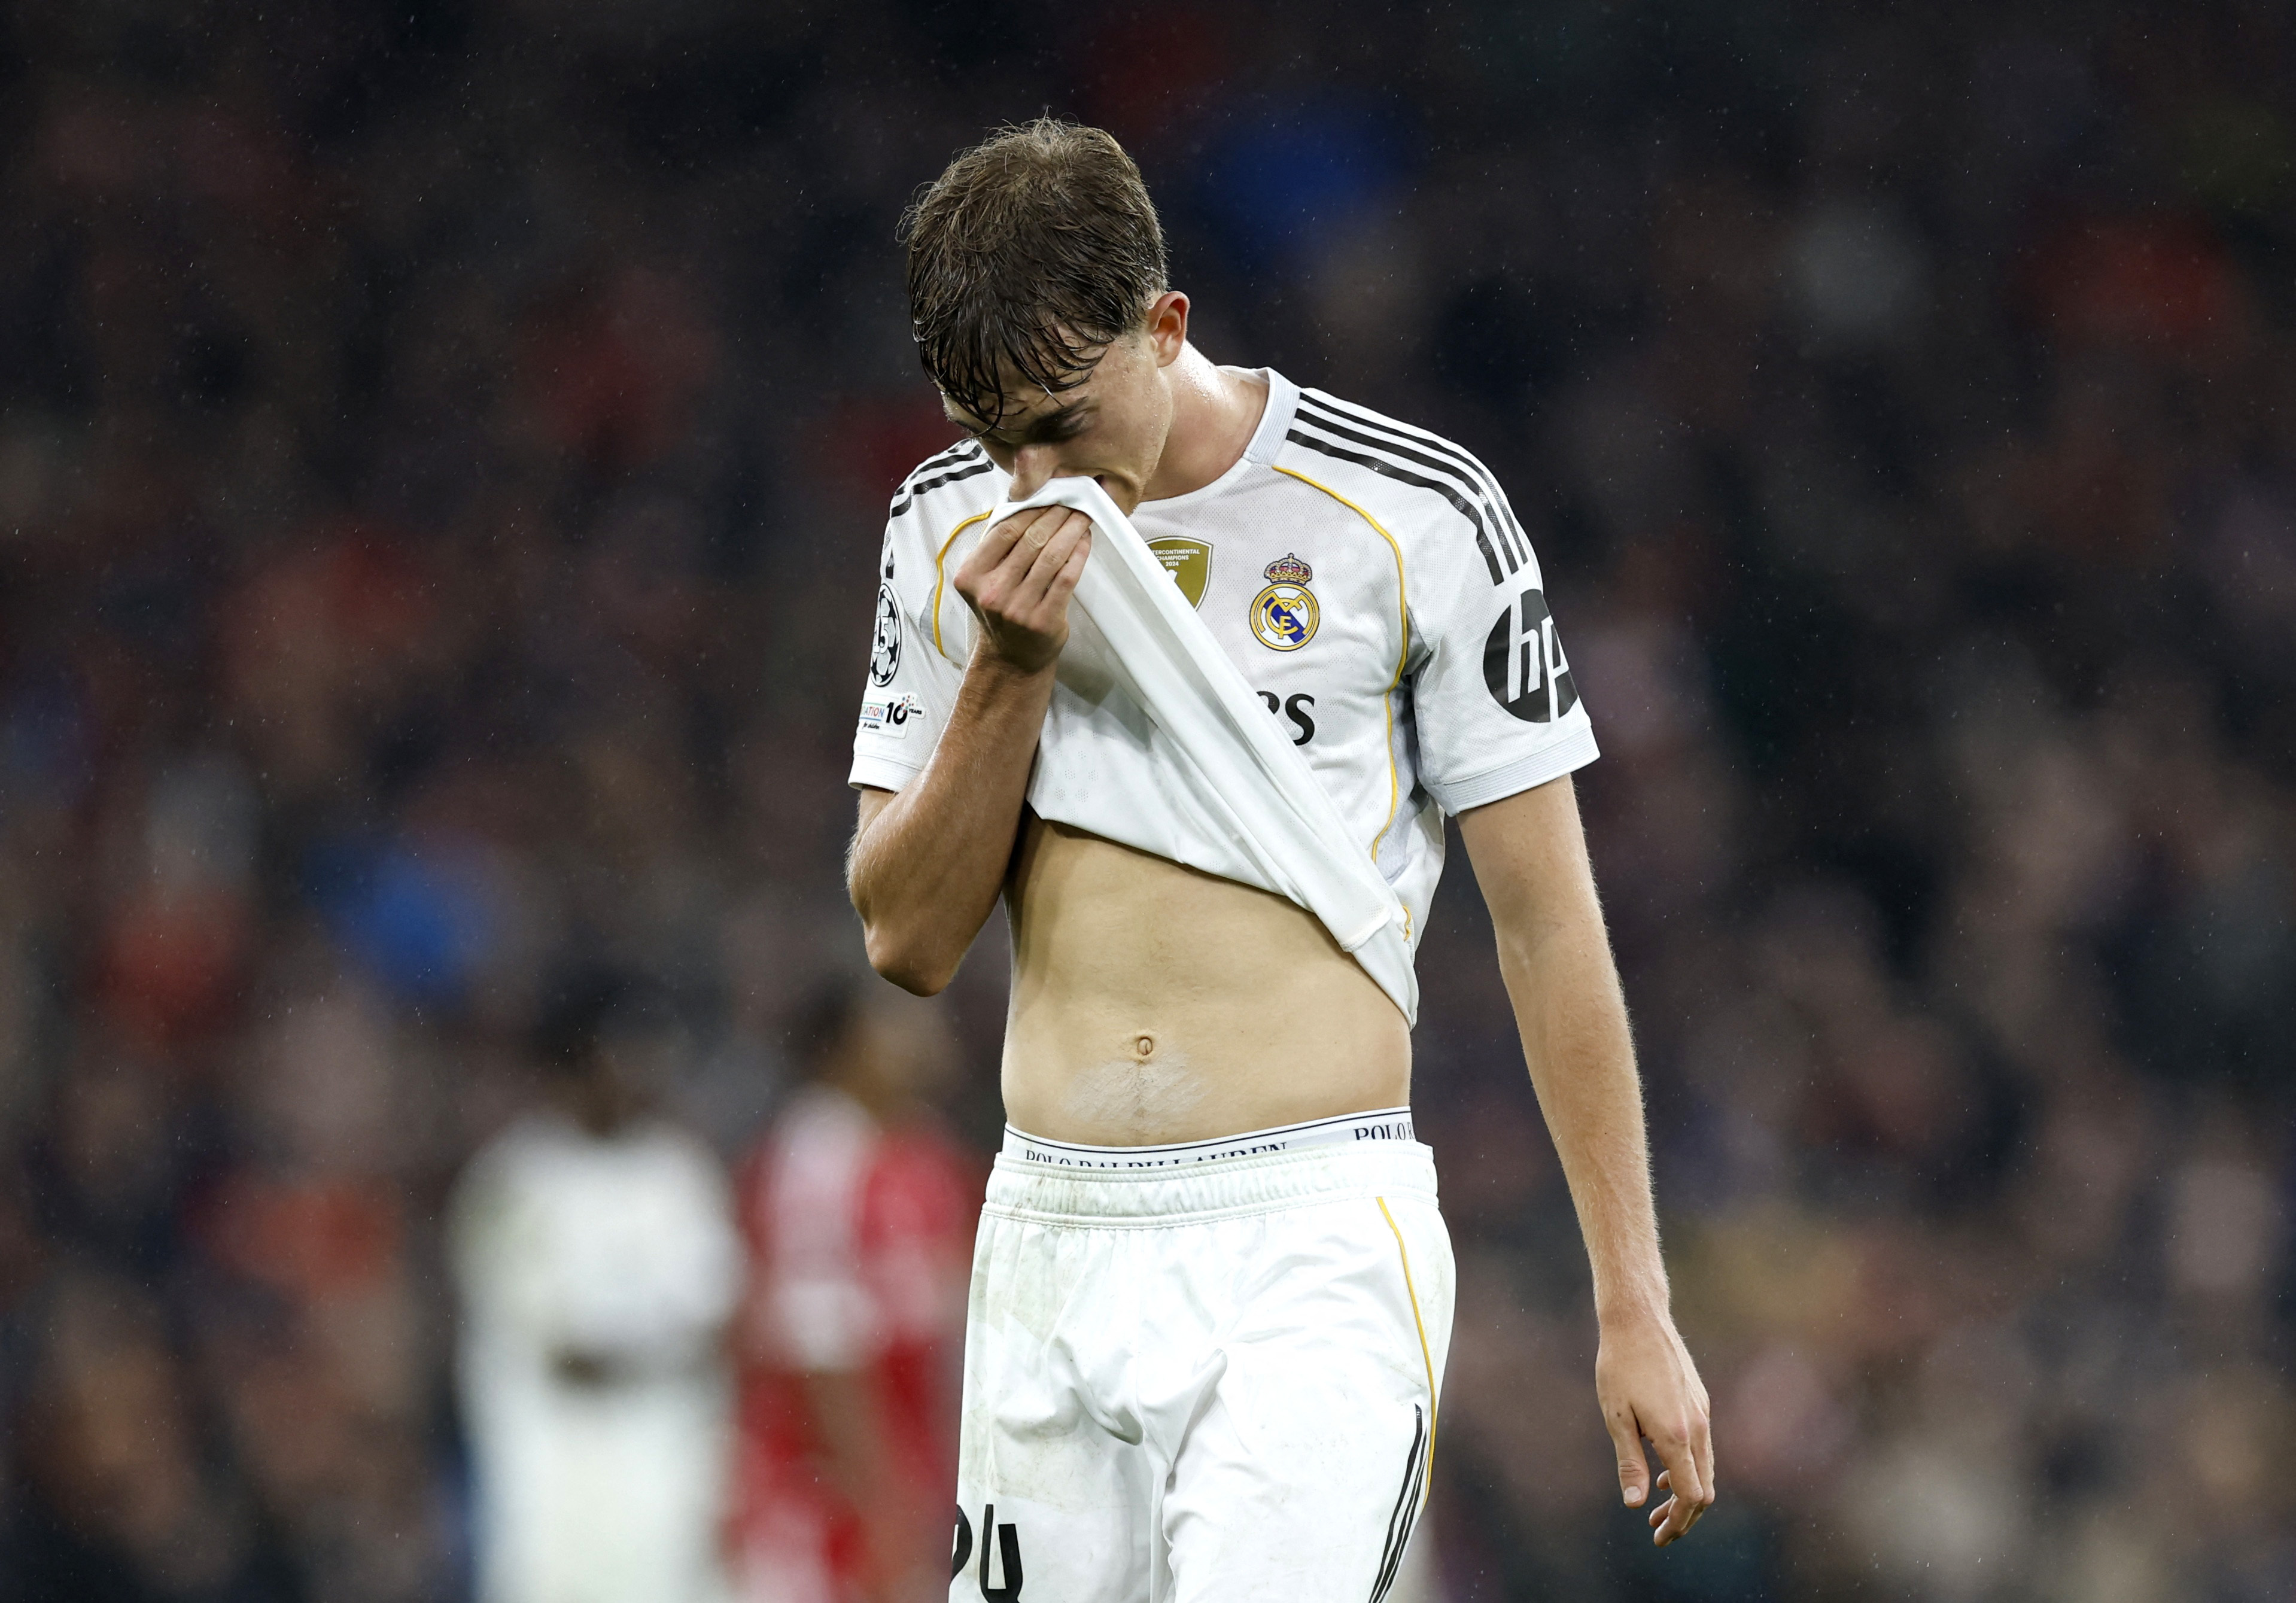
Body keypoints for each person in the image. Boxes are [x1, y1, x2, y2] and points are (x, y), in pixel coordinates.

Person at [847, 120, 1715, 1601]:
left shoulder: (1415, 515)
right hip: (1050, 1238)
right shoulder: (942, 528)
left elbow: (1549, 923)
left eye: (1063, 416)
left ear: (1166, 323)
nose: (1032, 472)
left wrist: (1633, 1294)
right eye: (996, 435)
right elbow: (908, 940)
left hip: (1302, 1245)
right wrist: (1008, 669)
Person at [449, 969, 743, 1603]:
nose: (641, 1071)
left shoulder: (681, 1174)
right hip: (558, 1512)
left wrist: (654, 1348)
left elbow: (718, 1326)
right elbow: (568, 1356)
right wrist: (666, 1346)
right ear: (574, 1061)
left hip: (669, 1504)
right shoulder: (513, 1185)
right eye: (624, 1051)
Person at [726, 980, 976, 1603]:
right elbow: (821, 1356)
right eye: (896, 1027)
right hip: (820, 1491)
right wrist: (881, 1503)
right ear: (842, 1048)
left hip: (920, 1464)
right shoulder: (816, 1160)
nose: (923, 1041)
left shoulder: (928, 1152)